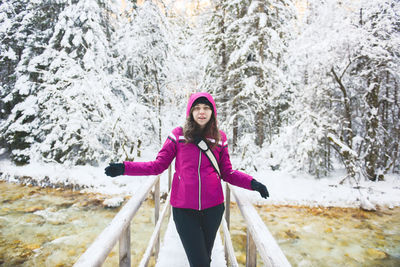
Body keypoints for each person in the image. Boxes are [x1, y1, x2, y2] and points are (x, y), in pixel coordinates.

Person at [105, 92, 269, 267]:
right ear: (190, 112)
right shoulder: (178, 136)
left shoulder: (220, 138)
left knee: (205, 258)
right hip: (184, 210)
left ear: (213, 112)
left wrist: (253, 183)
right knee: (200, 263)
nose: (201, 112)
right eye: (197, 108)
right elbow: (157, 166)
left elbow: (227, 173)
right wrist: (124, 168)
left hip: (213, 209)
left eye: (206, 108)